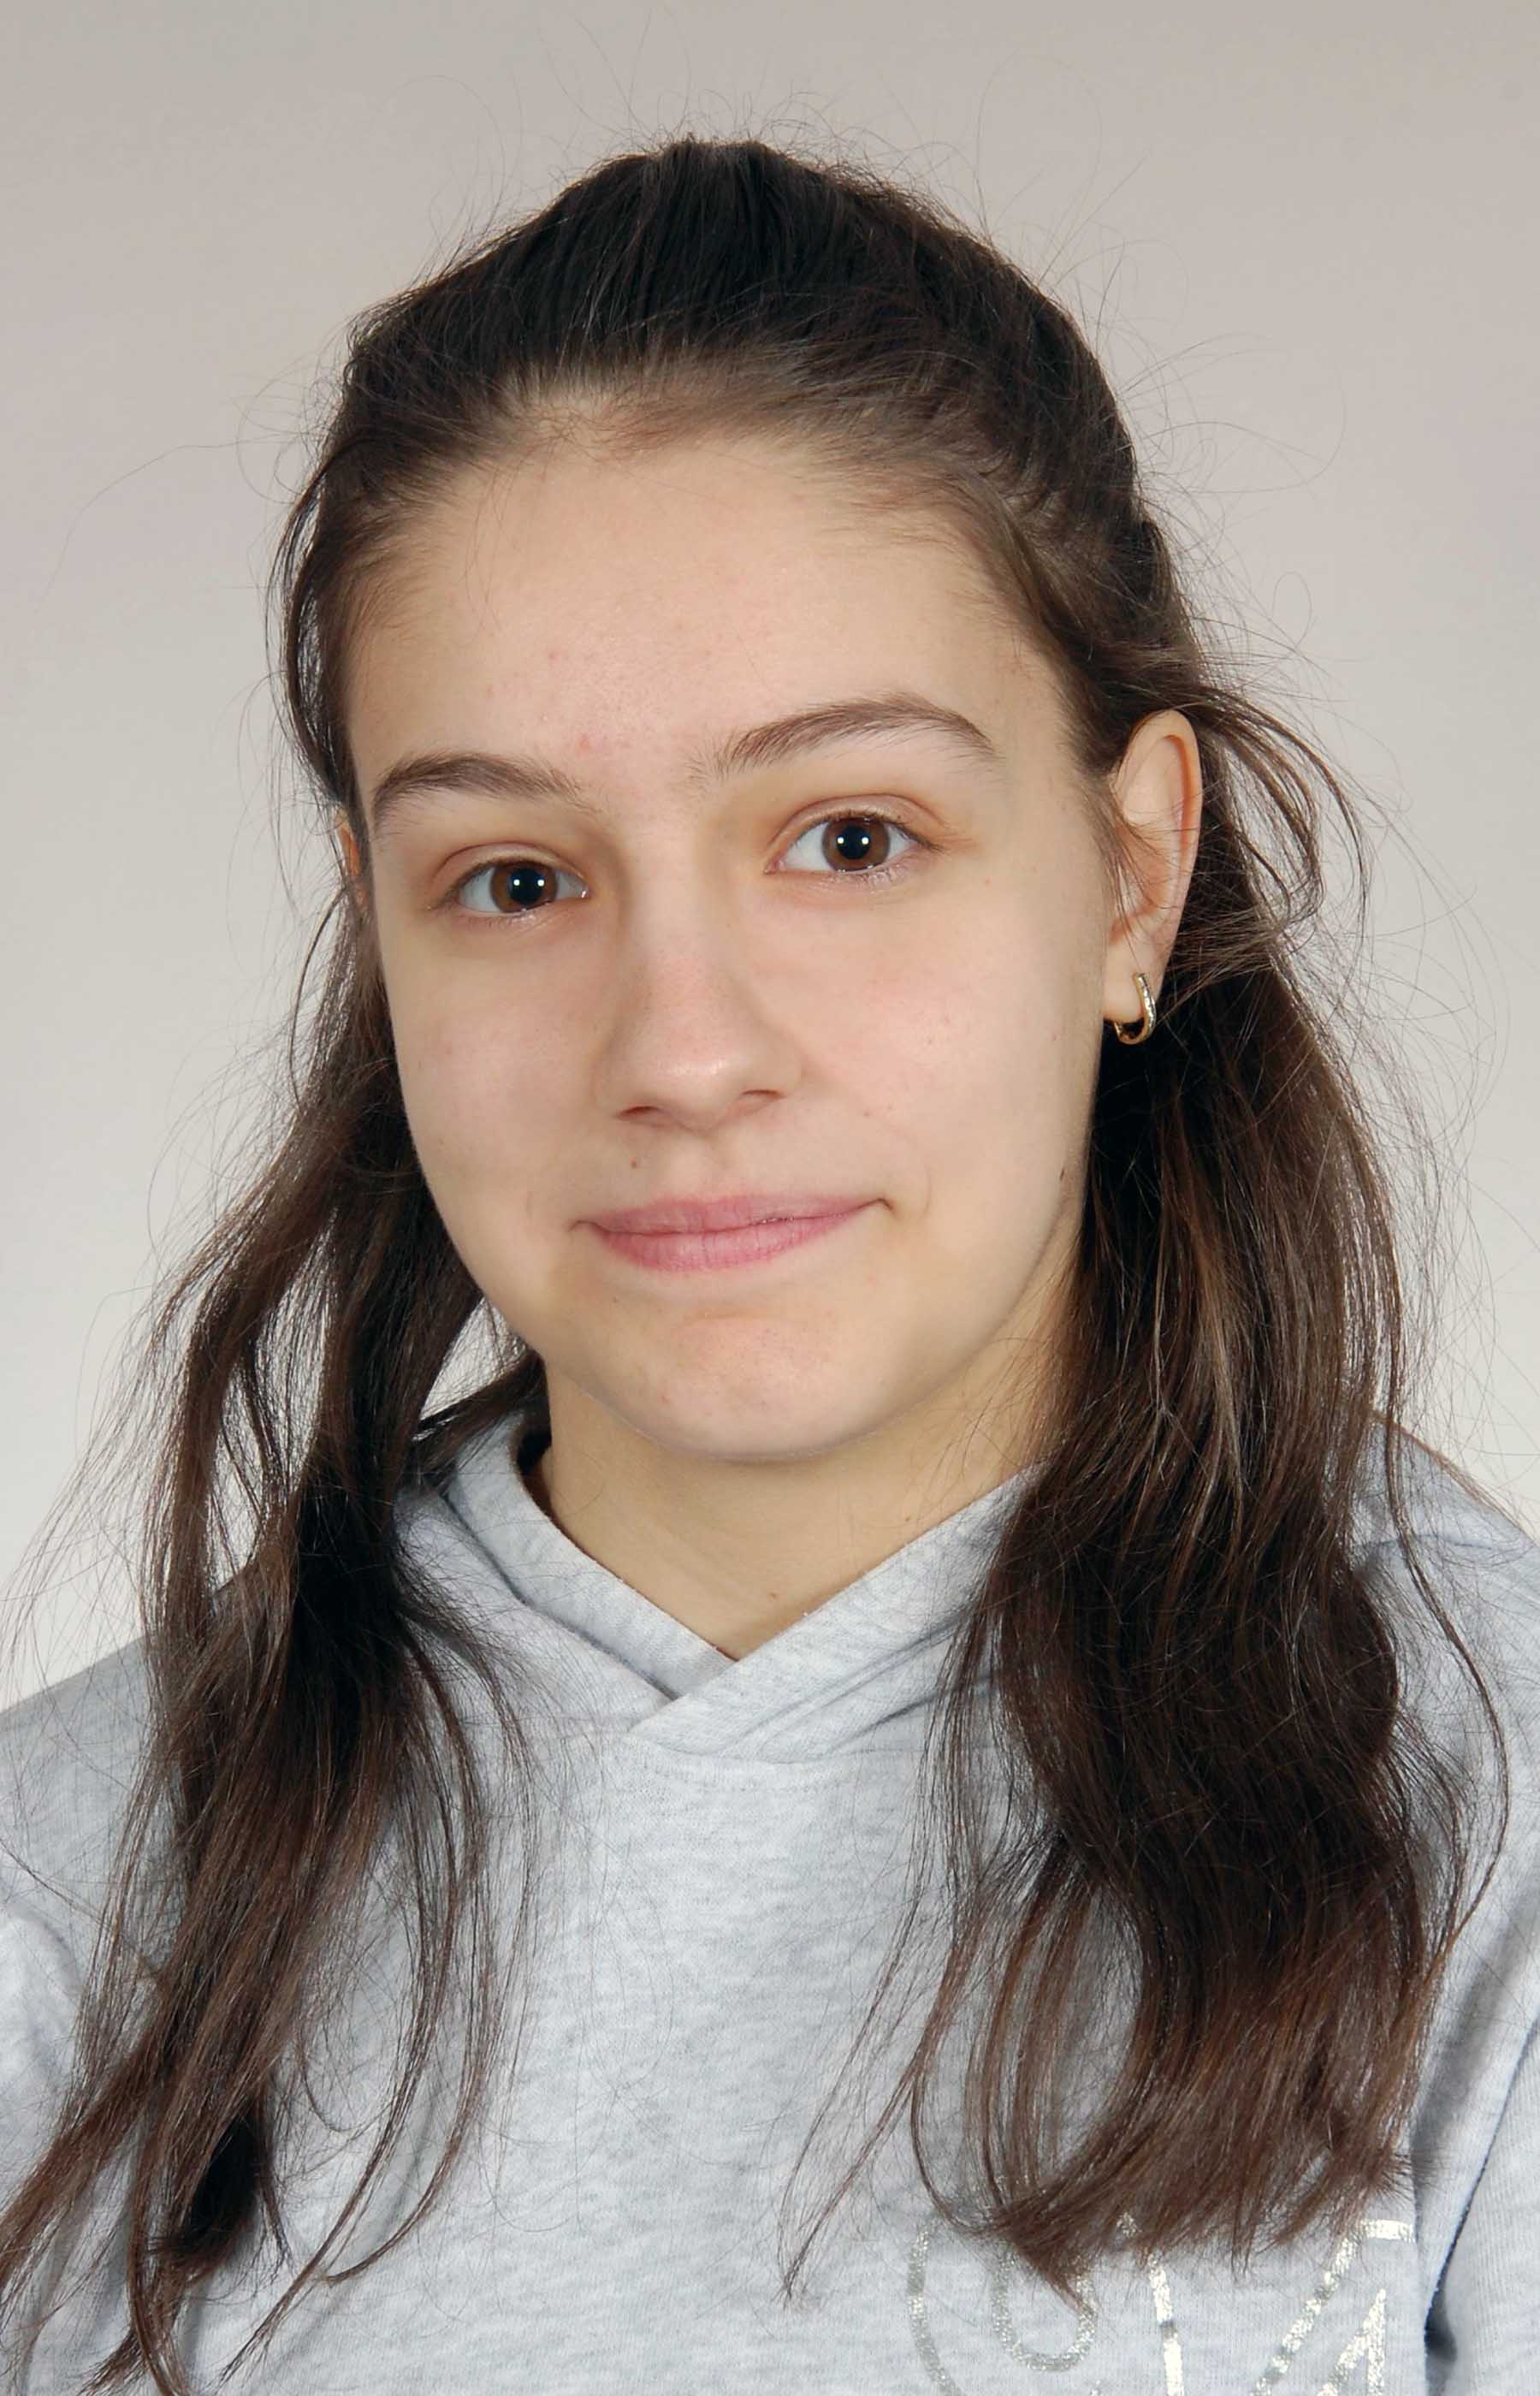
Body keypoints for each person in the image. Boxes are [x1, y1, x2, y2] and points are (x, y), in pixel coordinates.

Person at [2, 130, 1537, 2395]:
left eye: (851, 838)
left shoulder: (1490, 1815)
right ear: (380, 933)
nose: (683, 1051)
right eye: (517, 879)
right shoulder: (70, 1890)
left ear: (1131, 871)